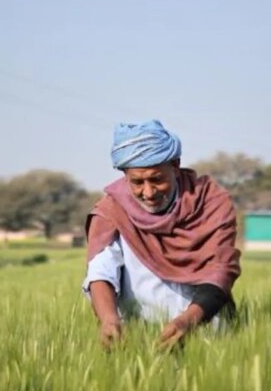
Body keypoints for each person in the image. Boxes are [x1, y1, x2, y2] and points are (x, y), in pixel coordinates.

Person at [84, 119, 241, 348]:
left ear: (175, 165)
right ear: (125, 176)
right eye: (137, 182)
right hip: (141, 338)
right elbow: (100, 272)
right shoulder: (112, 211)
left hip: (207, 333)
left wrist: (188, 321)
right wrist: (108, 318)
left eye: (157, 179)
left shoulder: (211, 202)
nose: (148, 192)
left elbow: (220, 271)